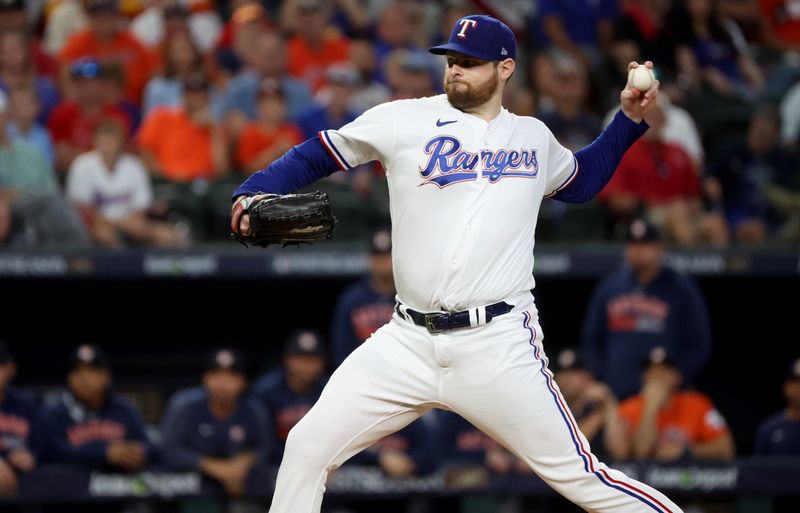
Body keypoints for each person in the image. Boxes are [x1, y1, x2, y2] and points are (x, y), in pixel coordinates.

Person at [231, 14, 683, 513]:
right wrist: (253, 192)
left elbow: (583, 181)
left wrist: (627, 120)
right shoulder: (404, 119)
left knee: (582, 478)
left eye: (470, 63)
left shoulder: (532, 137)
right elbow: (320, 152)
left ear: (505, 68)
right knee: (306, 448)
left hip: (497, 344)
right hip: (406, 341)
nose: (456, 71)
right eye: (452, 61)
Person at [581, 218, 713, 400]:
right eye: (633, 245)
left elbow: (699, 344)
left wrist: (678, 374)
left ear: (660, 248)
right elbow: (592, 340)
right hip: (618, 395)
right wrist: (604, 377)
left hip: (666, 398)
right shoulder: (610, 287)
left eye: (645, 245)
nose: (638, 251)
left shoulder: (682, 289)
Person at [160, 347, 271, 497]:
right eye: (216, 375)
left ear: (243, 382)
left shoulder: (254, 410)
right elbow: (170, 449)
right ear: (205, 379)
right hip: (192, 484)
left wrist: (245, 461)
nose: (223, 384)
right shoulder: (184, 406)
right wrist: (214, 467)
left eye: (231, 376)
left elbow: (265, 447)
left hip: (241, 481)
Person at [43, 344, 156, 471]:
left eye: (92, 371)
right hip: (70, 486)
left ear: (106, 377)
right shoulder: (56, 411)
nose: (84, 378)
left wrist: (137, 453)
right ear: (69, 378)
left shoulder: (122, 408)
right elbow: (52, 451)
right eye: (77, 371)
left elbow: (150, 446)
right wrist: (104, 453)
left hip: (116, 486)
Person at [617, 346, 735, 461]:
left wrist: (685, 451)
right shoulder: (628, 408)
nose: (658, 376)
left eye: (665, 371)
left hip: (689, 476)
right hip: (645, 478)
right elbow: (639, 454)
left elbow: (726, 449)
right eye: (652, 371)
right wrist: (650, 408)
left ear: (678, 377)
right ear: (644, 378)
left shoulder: (697, 404)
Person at [250, 329, 328, 463]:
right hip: (276, 463)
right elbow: (262, 442)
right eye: (300, 358)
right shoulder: (266, 390)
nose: (306, 365)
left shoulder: (331, 388)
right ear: (286, 359)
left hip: (321, 463)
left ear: (323, 362)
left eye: (312, 359)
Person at [329, 227, 396, 368]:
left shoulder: (410, 297)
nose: (383, 262)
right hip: (362, 374)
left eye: (387, 255)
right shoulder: (351, 299)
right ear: (370, 259)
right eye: (378, 256)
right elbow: (340, 348)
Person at [552, 348, 627, 462]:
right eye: (562, 373)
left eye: (574, 372)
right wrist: (598, 415)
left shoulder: (602, 404)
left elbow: (620, 453)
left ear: (588, 377)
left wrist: (609, 404)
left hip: (601, 473)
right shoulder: (551, 407)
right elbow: (567, 448)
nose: (567, 379)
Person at [0, 341, 46, 496]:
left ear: (10, 368)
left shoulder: (26, 404)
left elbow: (43, 444)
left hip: (25, 482)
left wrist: (33, 456)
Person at [753, 358, 800, 455]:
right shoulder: (768, 428)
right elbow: (756, 468)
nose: (799, 387)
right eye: (795, 381)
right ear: (786, 386)